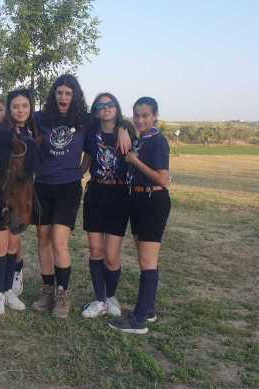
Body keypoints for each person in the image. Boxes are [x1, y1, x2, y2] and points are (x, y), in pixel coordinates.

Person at [30, 74, 131, 318]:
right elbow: (14, 120)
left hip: (68, 187)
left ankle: (63, 293)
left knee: (59, 241)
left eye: (68, 93)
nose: (63, 97)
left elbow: (110, 120)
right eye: (59, 92)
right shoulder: (40, 118)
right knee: (42, 239)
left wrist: (124, 128)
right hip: (42, 186)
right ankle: (48, 290)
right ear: (54, 95)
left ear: (74, 96)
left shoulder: (84, 120)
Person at [108, 97, 171, 334]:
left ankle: (139, 319)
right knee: (147, 258)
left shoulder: (158, 141)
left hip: (153, 201)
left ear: (155, 116)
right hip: (138, 200)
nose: (140, 119)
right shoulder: (140, 138)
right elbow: (121, 121)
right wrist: (125, 127)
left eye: (145, 115)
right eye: (137, 115)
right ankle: (149, 309)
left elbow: (163, 179)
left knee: (147, 262)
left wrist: (135, 161)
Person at [0, 89, 37, 315]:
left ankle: (9, 291)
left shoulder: (32, 130)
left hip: (22, 196)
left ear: (30, 107)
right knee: (0, 246)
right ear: (8, 110)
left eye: (24, 106)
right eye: (15, 106)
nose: (20, 110)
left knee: (13, 244)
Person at [79, 93, 134, 319]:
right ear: (95, 111)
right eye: (101, 106)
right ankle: (99, 299)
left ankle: (110, 296)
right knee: (95, 251)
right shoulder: (91, 133)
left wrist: (122, 126)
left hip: (119, 195)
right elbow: (86, 162)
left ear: (117, 108)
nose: (106, 109)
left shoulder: (127, 131)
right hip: (95, 194)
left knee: (112, 255)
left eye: (110, 105)